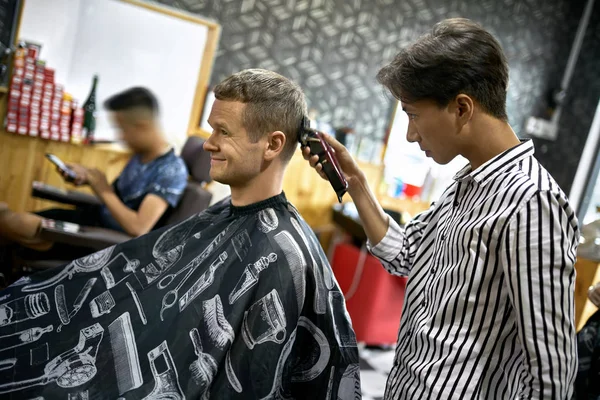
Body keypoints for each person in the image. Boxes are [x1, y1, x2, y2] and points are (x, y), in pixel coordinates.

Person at [0, 69, 360, 399]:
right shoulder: (221, 215)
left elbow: (253, 376)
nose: (208, 143)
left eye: (223, 132)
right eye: (210, 129)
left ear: (272, 144)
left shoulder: (284, 255)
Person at [304, 18, 579, 399]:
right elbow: (405, 254)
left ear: (462, 108)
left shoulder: (531, 202)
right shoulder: (464, 184)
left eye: (414, 116)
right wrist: (357, 185)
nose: (410, 135)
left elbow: (551, 373)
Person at [0, 87, 188, 257]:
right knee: (6, 223)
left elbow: (139, 227)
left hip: (99, 241)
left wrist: (102, 189)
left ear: (143, 126)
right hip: (90, 218)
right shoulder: (140, 156)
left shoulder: (172, 170)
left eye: (123, 129)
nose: (120, 136)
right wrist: (87, 178)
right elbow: (117, 199)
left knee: (11, 222)